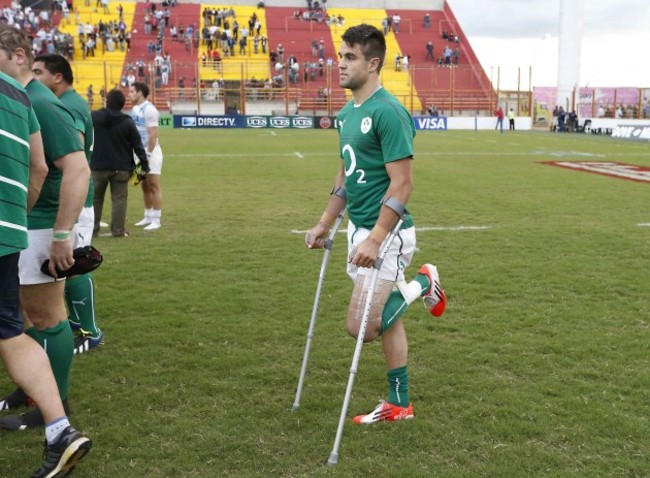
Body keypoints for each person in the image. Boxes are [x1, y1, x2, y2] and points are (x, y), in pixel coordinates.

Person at [305, 24, 446, 424]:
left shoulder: (388, 111)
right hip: (358, 231)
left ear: (373, 62)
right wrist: (324, 222)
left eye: (349, 57)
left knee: (362, 326)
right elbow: (345, 176)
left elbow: (403, 183)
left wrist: (377, 238)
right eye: (340, 57)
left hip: (388, 235)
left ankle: (423, 282)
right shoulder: (347, 113)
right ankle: (400, 404)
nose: (340, 65)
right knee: (386, 319)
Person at [0, 25, 93, 471]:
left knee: (48, 316)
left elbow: (76, 168)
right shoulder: (27, 97)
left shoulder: (36, 101)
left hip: (38, 223)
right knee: (20, 318)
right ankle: (35, 392)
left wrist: (62, 233)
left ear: (16, 57)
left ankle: (52, 410)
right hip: (26, 222)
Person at [31, 53, 104, 355]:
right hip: (68, 200)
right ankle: (74, 322)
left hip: (72, 201)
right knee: (67, 267)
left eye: (38, 72)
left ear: (57, 76)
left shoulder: (68, 105)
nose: (32, 78)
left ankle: (89, 329)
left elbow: (72, 156)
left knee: (73, 265)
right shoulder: (70, 102)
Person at [92, 89, 149, 237]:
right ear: (122, 104)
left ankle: (92, 228)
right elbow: (138, 145)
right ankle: (117, 230)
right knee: (119, 200)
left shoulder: (93, 117)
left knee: (95, 199)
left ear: (106, 102)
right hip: (121, 167)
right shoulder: (127, 122)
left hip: (98, 165)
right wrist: (145, 165)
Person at [129, 82, 164, 230]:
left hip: (151, 152)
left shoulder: (149, 110)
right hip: (139, 152)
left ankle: (156, 219)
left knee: (154, 185)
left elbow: (153, 134)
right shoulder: (134, 109)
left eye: (132, 92)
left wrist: (148, 154)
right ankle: (148, 216)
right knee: (144, 185)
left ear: (140, 93)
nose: (129, 94)